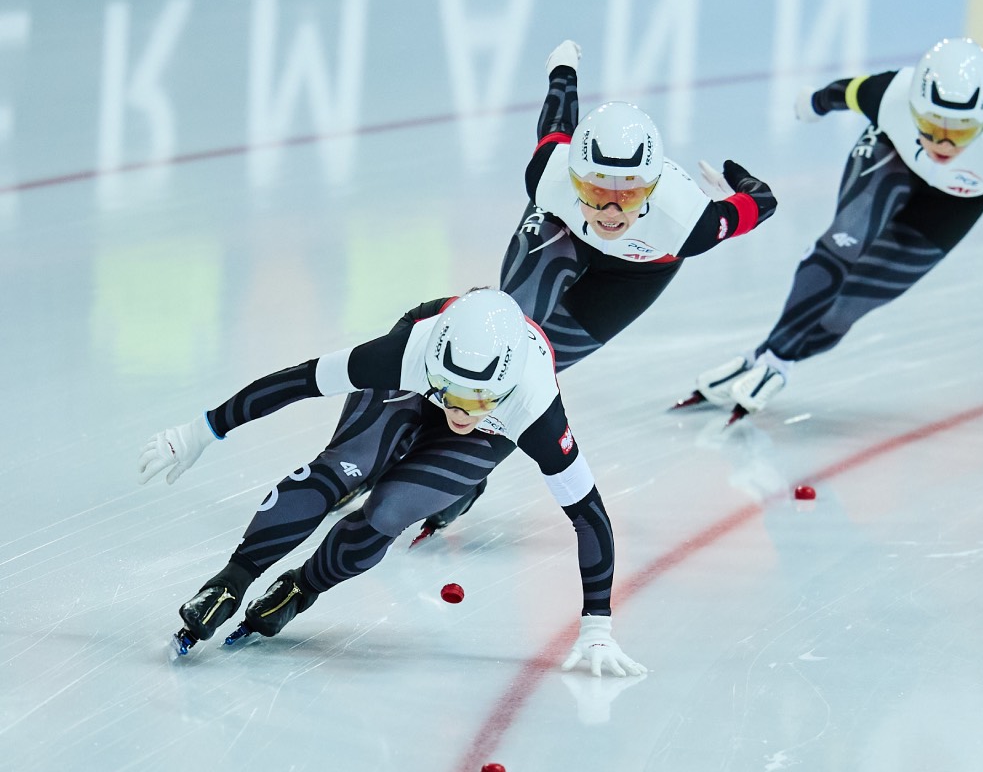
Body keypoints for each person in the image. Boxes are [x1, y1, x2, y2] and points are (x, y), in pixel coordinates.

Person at [138, 288, 645, 676]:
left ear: (507, 392)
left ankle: (303, 587)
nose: (461, 411)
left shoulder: (533, 406)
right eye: (451, 394)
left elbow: (588, 514)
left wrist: (598, 624)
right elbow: (299, 380)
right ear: (434, 369)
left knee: (389, 510)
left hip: (481, 412)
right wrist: (202, 431)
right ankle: (230, 581)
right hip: (411, 384)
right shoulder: (409, 351)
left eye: (479, 402)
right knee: (342, 468)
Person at [416, 38, 777, 537]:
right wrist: (562, 67)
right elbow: (558, 117)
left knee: (530, 371)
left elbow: (762, 206)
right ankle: (407, 434)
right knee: (507, 337)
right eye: (596, 190)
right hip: (562, 229)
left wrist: (746, 186)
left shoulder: (687, 219)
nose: (610, 212)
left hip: (636, 273)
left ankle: (461, 477)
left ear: (652, 187)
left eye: (627, 195)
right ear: (574, 177)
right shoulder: (551, 176)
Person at [679, 37, 983, 423]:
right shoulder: (891, 93)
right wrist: (812, 103)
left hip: (955, 201)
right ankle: (774, 359)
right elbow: (843, 92)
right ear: (914, 108)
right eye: (931, 126)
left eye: (960, 131)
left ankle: (771, 359)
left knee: (847, 308)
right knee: (841, 246)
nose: (943, 144)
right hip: (891, 155)